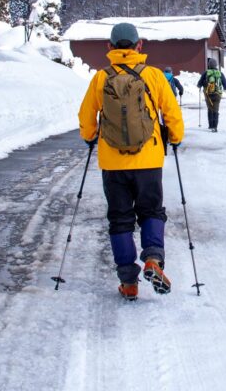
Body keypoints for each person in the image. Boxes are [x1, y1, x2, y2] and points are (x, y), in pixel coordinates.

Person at [78, 23, 184, 301]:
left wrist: (90, 137)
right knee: (151, 212)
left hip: (113, 163)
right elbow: (171, 113)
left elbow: (86, 117)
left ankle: (129, 282)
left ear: (110, 48)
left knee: (120, 220)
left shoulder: (101, 78)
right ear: (139, 45)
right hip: (148, 159)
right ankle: (152, 259)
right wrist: (175, 137)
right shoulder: (153, 76)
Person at [197, 58, 226, 132]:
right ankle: (215, 126)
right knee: (216, 109)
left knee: (210, 109)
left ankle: (211, 125)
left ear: (209, 65)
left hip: (208, 94)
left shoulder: (206, 73)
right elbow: (225, 84)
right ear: (216, 65)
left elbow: (199, 84)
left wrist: (201, 85)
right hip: (218, 94)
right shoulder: (220, 73)